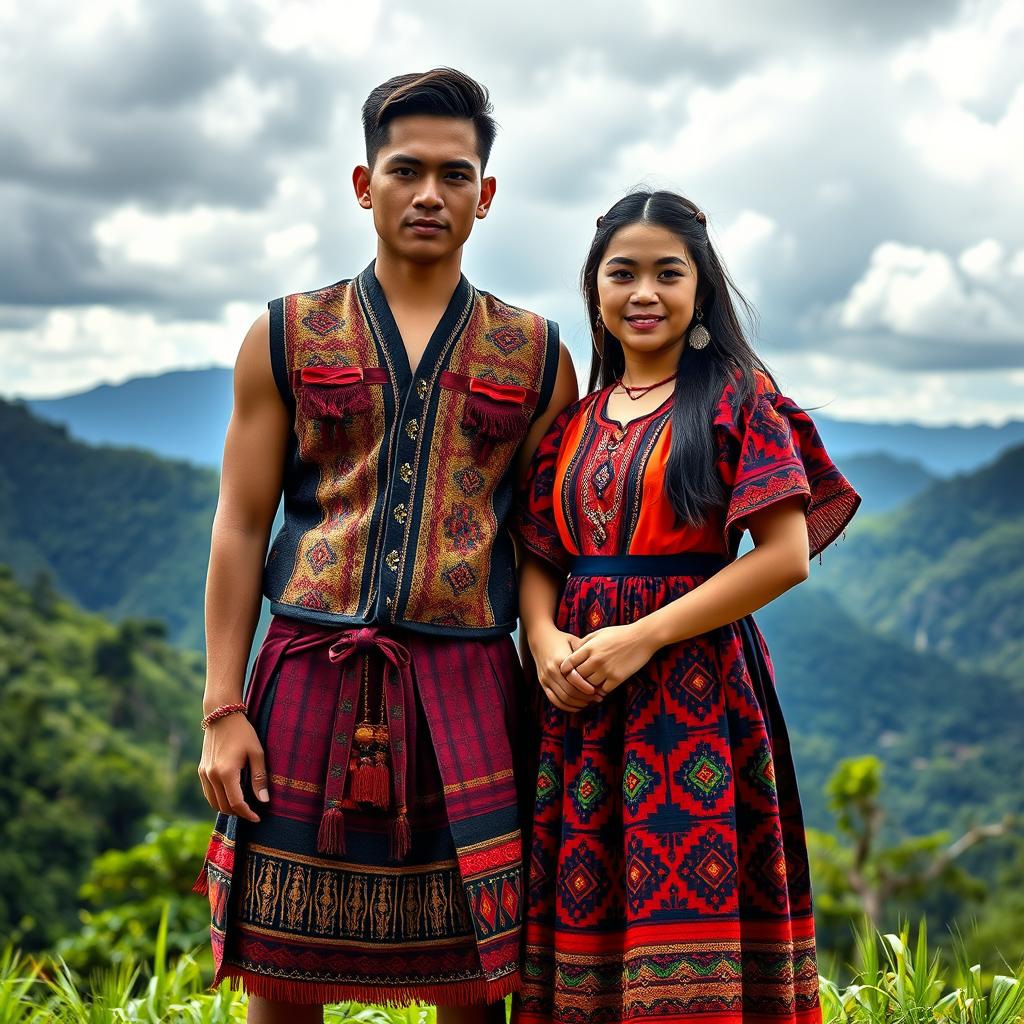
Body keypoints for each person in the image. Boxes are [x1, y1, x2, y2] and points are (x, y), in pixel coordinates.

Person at [194, 68, 577, 1024]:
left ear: (485, 196)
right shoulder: (286, 334)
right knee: (282, 982)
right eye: (406, 170)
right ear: (364, 184)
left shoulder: (536, 355)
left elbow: (541, 544)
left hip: (472, 683)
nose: (429, 194)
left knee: (478, 983)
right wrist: (221, 706)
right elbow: (241, 524)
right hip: (305, 672)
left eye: (456, 174)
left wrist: (549, 667)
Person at [514, 189, 860, 1023]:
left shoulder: (739, 399)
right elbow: (537, 554)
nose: (645, 293)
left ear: (700, 288)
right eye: (622, 273)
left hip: (699, 689)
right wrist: (544, 638)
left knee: (692, 912)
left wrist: (642, 636)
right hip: (581, 695)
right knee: (587, 909)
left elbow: (785, 558)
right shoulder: (573, 422)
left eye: (668, 273)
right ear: (594, 290)